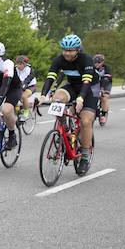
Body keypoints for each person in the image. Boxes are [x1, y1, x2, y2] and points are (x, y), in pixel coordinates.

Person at [38, 34, 97, 168]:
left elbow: (86, 82)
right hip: (72, 86)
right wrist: (43, 95)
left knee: (85, 121)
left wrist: (80, 98)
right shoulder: (59, 59)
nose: (66, 53)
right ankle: (63, 129)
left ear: (77, 50)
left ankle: (85, 156)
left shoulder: (86, 59)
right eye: (64, 50)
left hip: (89, 89)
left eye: (70, 51)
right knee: (57, 99)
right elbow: (50, 78)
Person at [92, 54, 112, 125]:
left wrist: (102, 89)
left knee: (104, 97)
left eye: (99, 62)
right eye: (95, 62)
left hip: (106, 83)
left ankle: (103, 115)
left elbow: (106, 79)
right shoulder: (92, 68)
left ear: (103, 62)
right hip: (96, 83)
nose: (97, 64)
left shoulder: (106, 68)